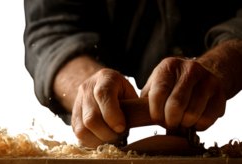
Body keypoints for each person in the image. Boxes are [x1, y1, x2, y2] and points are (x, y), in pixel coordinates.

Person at [23, 0, 242, 149]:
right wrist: (93, 90)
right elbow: (50, 30)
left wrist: (217, 67)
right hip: (103, 144)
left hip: (228, 134)